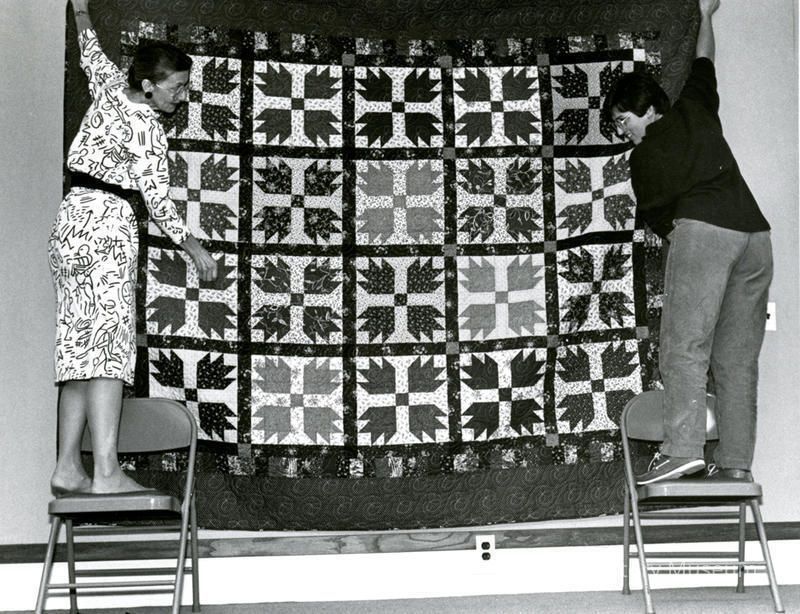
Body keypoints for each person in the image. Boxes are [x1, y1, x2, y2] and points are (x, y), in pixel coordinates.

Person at [48, 0, 218, 495]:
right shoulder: (147, 127)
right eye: (176, 87)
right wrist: (193, 247)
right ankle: (106, 473)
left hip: (70, 224)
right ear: (147, 85)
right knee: (107, 351)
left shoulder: (109, 89)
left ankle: (67, 466)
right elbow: (158, 200)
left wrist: (81, 12)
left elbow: (92, 54)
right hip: (106, 227)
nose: (181, 96)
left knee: (78, 348)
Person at [604, 0, 772, 485]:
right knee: (736, 362)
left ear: (648, 109)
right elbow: (704, 61)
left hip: (704, 234)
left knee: (683, 347)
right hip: (756, 239)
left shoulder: (643, 157)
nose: (623, 131)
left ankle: (681, 450)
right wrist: (706, 15)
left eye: (623, 119)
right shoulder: (696, 106)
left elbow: (667, 227)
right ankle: (736, 463)